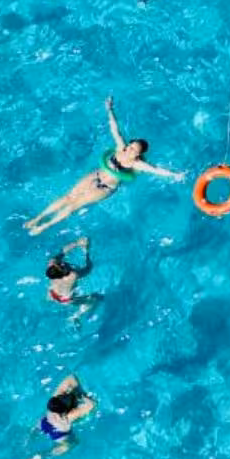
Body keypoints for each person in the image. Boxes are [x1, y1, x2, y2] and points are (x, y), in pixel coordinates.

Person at [24, 97, 186, 235]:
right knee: (68, 197)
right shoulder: (120, 148)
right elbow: (115, 129)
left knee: (74, 205)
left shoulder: (138, 164)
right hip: (96, 175)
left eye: (134, 150)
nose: (129, 150)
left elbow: (156, 170)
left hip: (104, 188)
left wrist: (174, 175)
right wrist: (109, 109)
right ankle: (38, 218)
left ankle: (44, 226)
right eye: (130, 146)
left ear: (138, 155)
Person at [45, 237, 100, 316]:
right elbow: (88, 269)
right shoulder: (72, 276)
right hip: (66, 300)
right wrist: (87, 252)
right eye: (62, 266)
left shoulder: (51, 265)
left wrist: (77, 243)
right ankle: (76, 316)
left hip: (51, 293)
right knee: (94, 300)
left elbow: (62, 252)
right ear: (64, 273)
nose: (63, 263)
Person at [39, 376, 95, 444]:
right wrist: (82, 395)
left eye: (63, 396)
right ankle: (46, 454)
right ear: (66, 411)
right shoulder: (70, 416)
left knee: (36, 431)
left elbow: (71, 377)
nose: (65, 395)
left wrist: (79, 391)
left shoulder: (55, 400)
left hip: (43, 422)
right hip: (59, 434)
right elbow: (92, 404)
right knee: (73, 443)